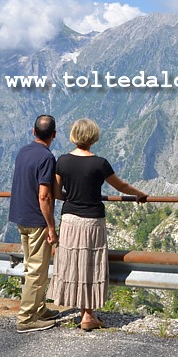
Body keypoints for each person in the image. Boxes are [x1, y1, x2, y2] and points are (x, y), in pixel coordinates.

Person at [47, 118, 148, 331]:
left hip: (70, 220)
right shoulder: (100, 163)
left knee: (73, 262)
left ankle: (79, 310)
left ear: (74, 135)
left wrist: (73, 196)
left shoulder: (62, 161)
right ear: (93, 137)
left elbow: (56, 193)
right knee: (91, 264)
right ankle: (88, 316)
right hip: (92, 220)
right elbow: (121, 185)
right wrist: (139, 194)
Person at [9, 114, 60, 333]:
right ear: (54, 135)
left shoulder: (23, 152)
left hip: (21, 216)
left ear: (33, 132)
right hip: (37, 220)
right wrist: (51, 226)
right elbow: (44, 196)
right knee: (37, 271)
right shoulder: (47, 158)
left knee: (33, 266)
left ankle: (39, 308)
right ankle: (27, 318)